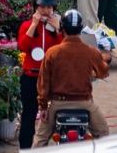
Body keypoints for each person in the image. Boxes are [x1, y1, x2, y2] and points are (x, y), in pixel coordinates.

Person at [33, 9, 110, 147]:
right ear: (81, 29)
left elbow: (43, 82)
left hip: (57, 104)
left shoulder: (52, 52)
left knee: (40, 139)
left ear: (62, 28)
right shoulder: (91, 52)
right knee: (103, 133)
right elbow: (103, 73)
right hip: (84, 103)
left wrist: (43, 106)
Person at [18, 0, 63, 149]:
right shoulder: (27, 25)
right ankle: (24, 149)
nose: (46, 10)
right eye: (42, 7)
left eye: (49, 7)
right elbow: (23, 46)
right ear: (35, 7)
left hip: (52, 77)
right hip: (31, 76)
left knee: (58, 113)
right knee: (29, 116)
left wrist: (58, 29)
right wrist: (33, 25)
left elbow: (63, 49)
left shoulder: (57, 26)